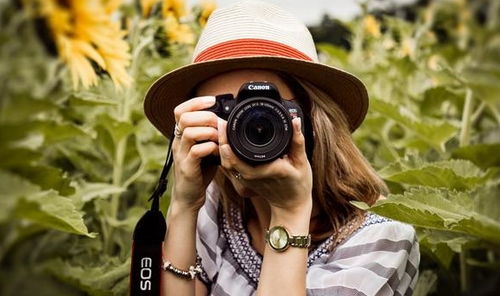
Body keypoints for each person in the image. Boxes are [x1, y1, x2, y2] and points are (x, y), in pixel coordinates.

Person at [143, 1, 420, 295]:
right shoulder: (215, 205)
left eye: (265, 111)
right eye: (225, 112)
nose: (246, 128)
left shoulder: (383, 241)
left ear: (314, 120)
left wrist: (289, 210)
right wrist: (183, 206)